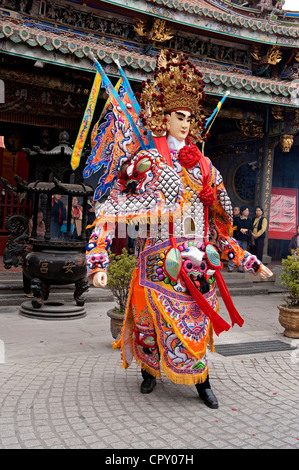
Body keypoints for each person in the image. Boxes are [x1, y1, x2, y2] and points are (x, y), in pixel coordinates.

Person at [86, 50, 273, 409]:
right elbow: (111, 208)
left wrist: (247, 259)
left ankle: (201, 379)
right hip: (158, 260)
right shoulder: (147, 160)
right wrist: (98, 260)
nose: (185, 124)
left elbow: (220, 229)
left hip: (199, 263)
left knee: (196, 324)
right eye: (178, 116)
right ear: (163, 117)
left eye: (190, 117)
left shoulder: (206, 167)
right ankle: (149, 372)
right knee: (151, 324)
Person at [234, 205, 252, 272]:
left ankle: (241, 268)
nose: (247, 212)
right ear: (242, 211)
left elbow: (251, 229)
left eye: (248, 211)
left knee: (243, 254)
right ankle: (231, 267)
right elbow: (234, 227)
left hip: (245, 238)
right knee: (235, 252)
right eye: (246, 210)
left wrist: (246, 230)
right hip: (237, 238)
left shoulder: (249, 220)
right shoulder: (237, 219)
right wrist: (240, 229)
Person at [227, 205, 240, 272]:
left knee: (237, 252)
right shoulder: (231, 217)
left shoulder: (239, 218)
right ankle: (230, 267)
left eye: (236, 210)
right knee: (232, 252)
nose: (234, 211)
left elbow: (237, 227)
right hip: (230, 237)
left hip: (235, 237)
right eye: (233, 209)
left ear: (239, 211)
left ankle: (238, 267)